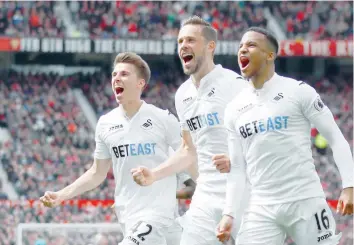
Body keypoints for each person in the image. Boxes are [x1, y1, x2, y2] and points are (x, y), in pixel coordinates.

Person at [217, 27, 353, 245]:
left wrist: (349, 185)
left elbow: (336, 139)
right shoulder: (234, 108)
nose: (242, 49)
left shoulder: (298, 92)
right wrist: (229, 213)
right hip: (261, 206)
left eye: (251, 45)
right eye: (240, 46)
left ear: (270, 55)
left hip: (305, 201)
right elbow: (238, 167)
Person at [40, 52, 183, 245]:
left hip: (159, 214)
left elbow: (187, 155)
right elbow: (97, 173)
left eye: (124, 74)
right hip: (129, 214)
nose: (116, 78)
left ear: (141, 83)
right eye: (114, 74)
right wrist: (61, 195)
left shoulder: (163, 119)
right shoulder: (105, 124)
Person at [131, 16, 250, 245]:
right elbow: (188, 149)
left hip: (244, 194)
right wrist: (154, 174)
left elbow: (262, 139)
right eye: (180, 41)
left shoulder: (235, 85)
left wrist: (236, 158)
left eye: (191, 40)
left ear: (210, 46)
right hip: (205, 197)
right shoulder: (183, 95)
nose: (183, 45)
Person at [165, 171, 196, 245]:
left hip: (171, 227)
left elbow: (192, 187)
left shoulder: (172, 164)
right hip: (140, 222)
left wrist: (170, 195)